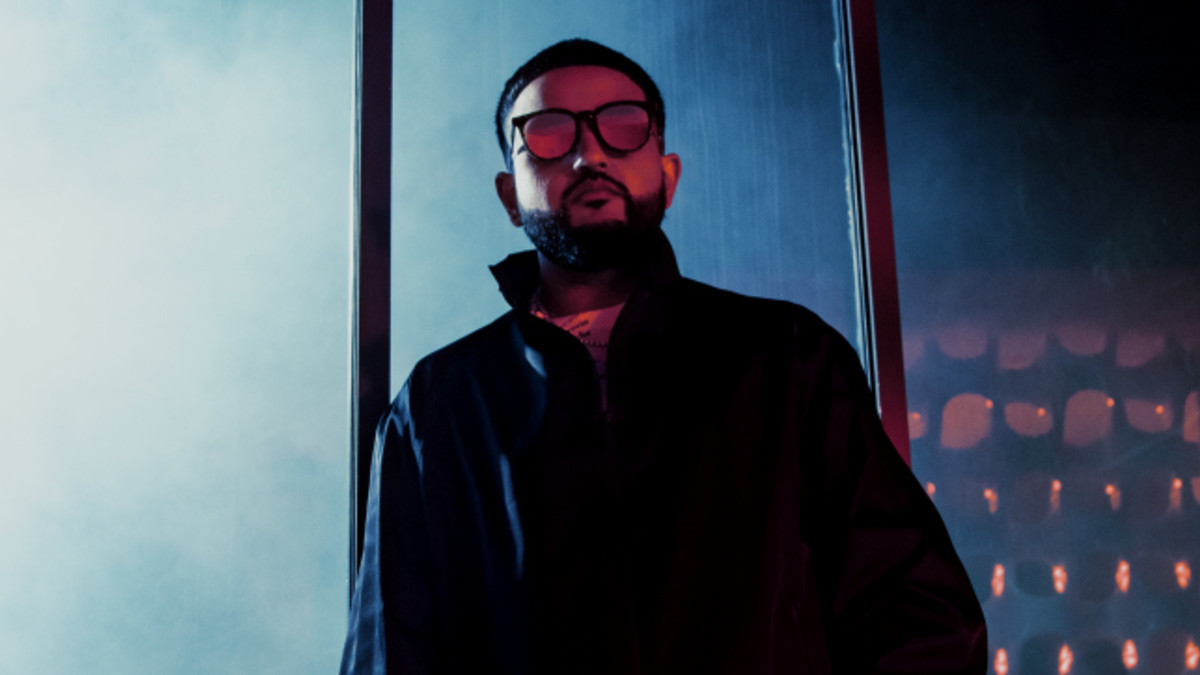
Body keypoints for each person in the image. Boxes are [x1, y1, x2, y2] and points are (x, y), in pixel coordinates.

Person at [340, 38, 986, 674]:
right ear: (510, 196)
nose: (589, 153)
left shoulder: (785, 354)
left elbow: (917, 615)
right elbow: (391, 649)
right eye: (548, 134)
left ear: (669, 176)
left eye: (624, 127)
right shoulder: (440, 401)